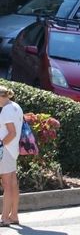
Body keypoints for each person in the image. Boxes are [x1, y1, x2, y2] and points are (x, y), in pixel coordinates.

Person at [0, 86, 24, 226]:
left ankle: (4, 218)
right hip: (13, 150)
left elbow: (12, 133)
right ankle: (13, 215)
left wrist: (1, 144)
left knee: (7, 185)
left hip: (6, 151)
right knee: (13, 183)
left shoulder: (6, 111)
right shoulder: (16, 106)